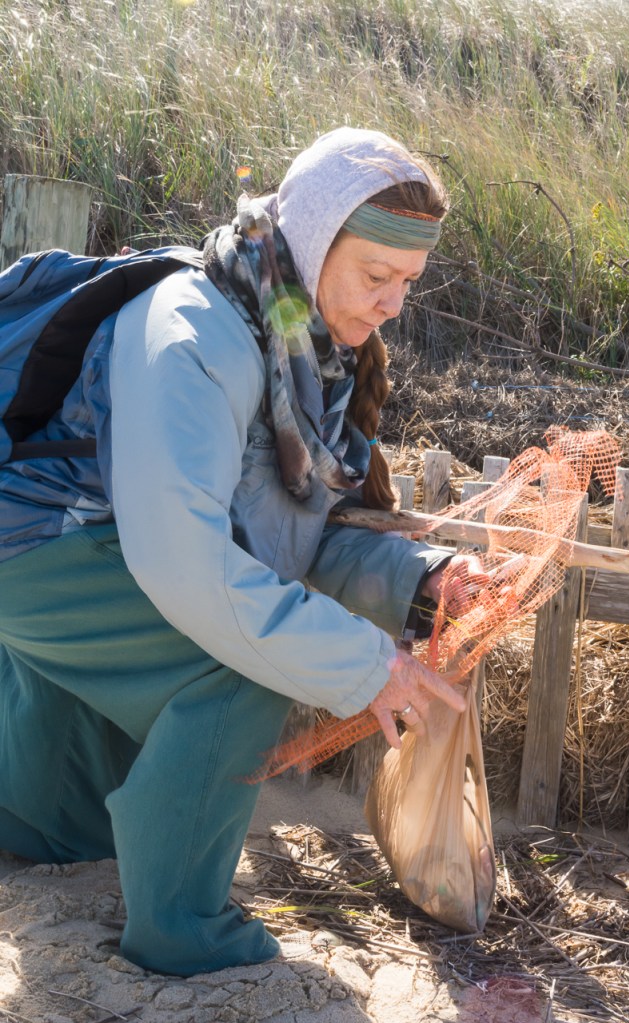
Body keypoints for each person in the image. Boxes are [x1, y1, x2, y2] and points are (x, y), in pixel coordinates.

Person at [0, 127, 486, 976]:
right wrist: (363, 663)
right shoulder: (193, 335)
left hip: (83, 539)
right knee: (244, 663)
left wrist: (423, 580)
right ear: (314, 241)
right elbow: (190, 571)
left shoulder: (303, 347)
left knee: (75, 818)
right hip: (34, 542)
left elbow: (289, 538)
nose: (393, 305)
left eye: (408, 282)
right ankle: (184, 934)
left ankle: (30, 821)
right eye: (376, 274)